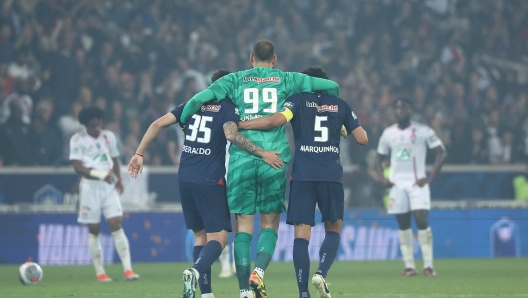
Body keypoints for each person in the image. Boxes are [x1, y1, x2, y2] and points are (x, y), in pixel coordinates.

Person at [178, 40, 340, 298]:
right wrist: (332, 116)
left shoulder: (234, 80)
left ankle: (244, 291)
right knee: (269, 224)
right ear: (274, 59)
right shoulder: (288, 79)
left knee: (243, 226)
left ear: (251, 57)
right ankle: (259, 273)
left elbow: (199, 98)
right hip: (273, 159)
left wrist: (185, 122)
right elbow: (331, 86)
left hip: (242, 159)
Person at [127, 69, 283, 298]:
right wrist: (263, 153)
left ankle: (207, 295)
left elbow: (157, 124)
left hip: (185, 177)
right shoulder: (228, 107)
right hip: (210, 180)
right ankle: (195, 270)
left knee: (200, 237)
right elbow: (231, 135)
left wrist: (139, 153)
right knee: (219, 238)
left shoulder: (190, 105)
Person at [238, 66, 368, 298]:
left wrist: (243, 124)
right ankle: (321, 273)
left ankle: (303, 292)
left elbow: (275, 121)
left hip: (303, 176)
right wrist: (343, 129)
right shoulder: (341, 104)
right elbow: (363, 139)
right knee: (333, 228)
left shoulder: (297, 100)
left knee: (301, 235)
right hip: (330, 176)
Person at [374, 98, 446, 277]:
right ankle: (409, 266)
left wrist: (430, 178)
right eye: (397, 107)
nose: (400, 110)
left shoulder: (423, 131)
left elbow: (441, 152)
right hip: (397, 185)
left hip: (417, 183)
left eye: (404, 107)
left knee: (422, 220)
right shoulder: (388, 133)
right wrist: (382, 178)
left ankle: (428, 265)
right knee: (403, 225)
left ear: (410, 111)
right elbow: (378, 157)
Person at [69, 106, 139, 282]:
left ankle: (128, 270)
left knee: (116, 223)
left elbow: (114, 160)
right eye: (93, 126)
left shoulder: (109, 137)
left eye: (99, 124)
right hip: (90, 187)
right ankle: (100, 272)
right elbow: (77, 167)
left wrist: (120, 181)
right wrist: (100, 175)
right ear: (86, 125)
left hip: (108, 187)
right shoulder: (77, 140)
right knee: (94, 228)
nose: (97, 128)